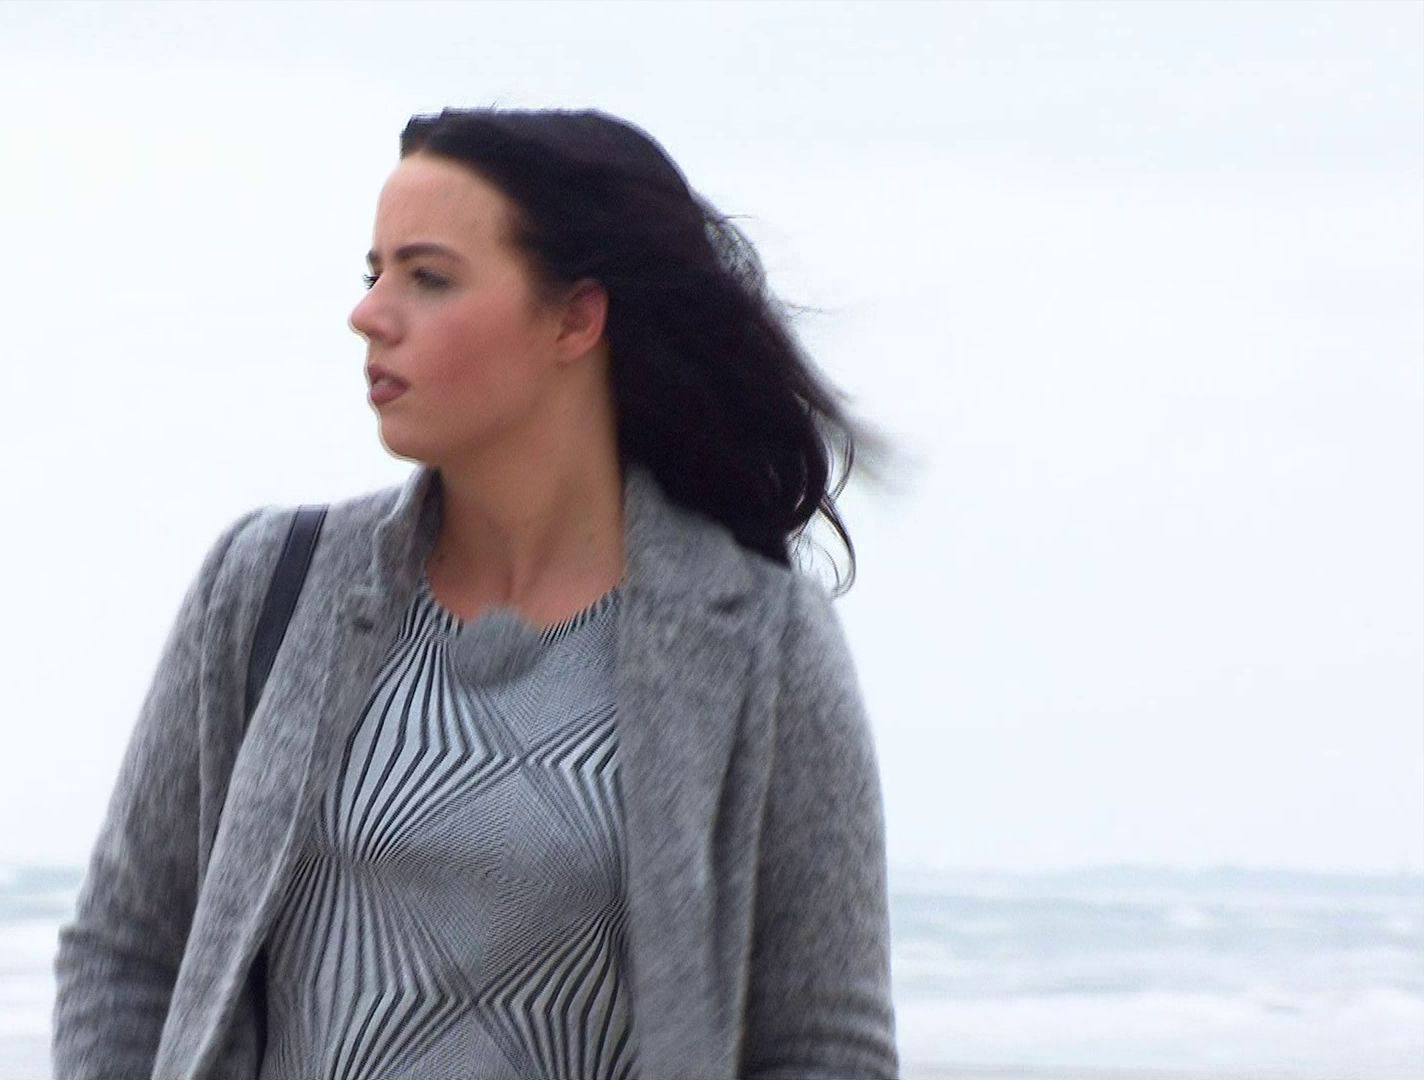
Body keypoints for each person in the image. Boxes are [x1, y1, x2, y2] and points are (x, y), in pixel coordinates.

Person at [54, 106, 900, 1080]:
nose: (370, 314)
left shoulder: (759, 641)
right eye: (374, 274)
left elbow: (826, 1047)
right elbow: (126, 948)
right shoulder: (268, 587)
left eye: (428, 278)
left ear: (575, 319)